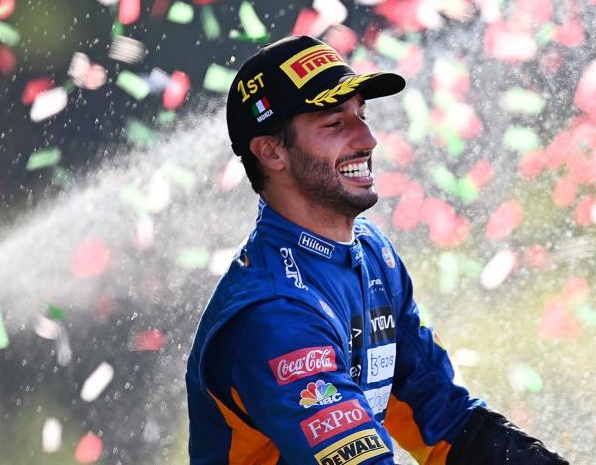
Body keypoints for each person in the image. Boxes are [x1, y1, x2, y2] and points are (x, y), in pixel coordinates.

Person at [186, 35, 568, 465]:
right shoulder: (274, 312)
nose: (367, 139)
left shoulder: (371, 252)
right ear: (272, 151)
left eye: (362, 115)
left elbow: (443, 421)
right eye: (335, 123)